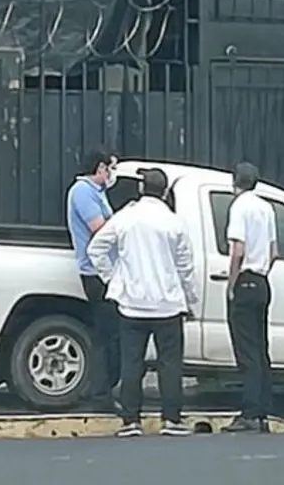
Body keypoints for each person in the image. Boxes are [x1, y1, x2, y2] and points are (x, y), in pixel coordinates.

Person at [87, 167, 200, 438]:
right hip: (168, 305)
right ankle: (171, 419)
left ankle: (130, 421)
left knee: (132, 363)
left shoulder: (126, 218)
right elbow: (185, 266)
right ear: (164, 192)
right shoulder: (174, 222)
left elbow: (96, 249)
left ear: (141, 189)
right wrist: (191, 299)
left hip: (132, 304)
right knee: (170, 363)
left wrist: (113, 278)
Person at [222, 162, 277, 433]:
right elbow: (274, 251)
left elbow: (238, 251)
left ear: (235, 182)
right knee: (260, 348)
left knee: (246, 352)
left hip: (245, 281)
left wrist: (232, 284)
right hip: (263, 281)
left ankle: (249, 412)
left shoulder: (239, 206)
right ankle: (264, 411)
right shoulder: (266, 208)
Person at [67, 147, 120, 411]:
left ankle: (104, 390)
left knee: (111, 333)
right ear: (100, 168)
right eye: (111, 167)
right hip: (97, 272)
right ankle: (100, 394)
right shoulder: (83, 192)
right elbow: (99, 229)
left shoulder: (97, 193)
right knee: (106, 334)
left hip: (105, 271)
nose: (113, 174)